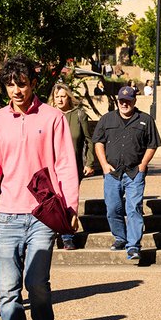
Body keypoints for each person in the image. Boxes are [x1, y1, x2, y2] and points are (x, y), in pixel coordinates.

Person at [0, 56, 80, 320]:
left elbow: (64, 164)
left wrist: (71, 206)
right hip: (8, 214)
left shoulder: (52, 118)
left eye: (21, 83)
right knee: (8, 291)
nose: (16, 90)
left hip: (42, 213)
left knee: (37, 284)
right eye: (10, 84)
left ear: (33, 83)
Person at [92, 86, 161, 264]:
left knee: (134, 208)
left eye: (128, 100)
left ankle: (133, 246)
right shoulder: (107, 119)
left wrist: (143, 165)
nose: (125, 103)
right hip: (112, 173)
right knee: (113, 208)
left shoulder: (145, 120)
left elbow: (152, 145)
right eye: (122, 100)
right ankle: (120, 238)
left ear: (134, 101)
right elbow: (98, 143)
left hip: (134, 173)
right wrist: (104, 165)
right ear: (117, 100)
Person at [51, 83, 95, 251]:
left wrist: (89, 163)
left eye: (63, 96)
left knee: (68, 201)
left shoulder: (79, 115)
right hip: (50, 166)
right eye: (57, 96)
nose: (60, 99)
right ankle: (53, 232)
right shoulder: (49, 115)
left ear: (69, 97)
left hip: (72, 167)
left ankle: (67, 236)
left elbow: (89, 140)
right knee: (53, 201)